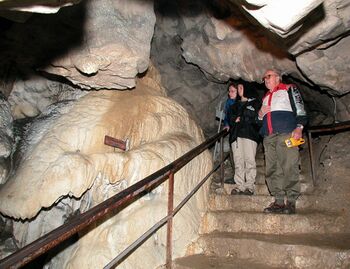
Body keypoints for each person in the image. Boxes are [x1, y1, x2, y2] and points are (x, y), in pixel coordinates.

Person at [258, 69, 307, 214]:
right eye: (264, 77)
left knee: (289, 165)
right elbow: (259, 120)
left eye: (269, 76)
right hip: (269, 136)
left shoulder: (289, 89)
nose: (265, 79)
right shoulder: (265, 97)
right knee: (272, 168)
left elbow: (300, 108)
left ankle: (291, 201)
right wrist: (260, 114)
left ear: (278, 77)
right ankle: (278, 201)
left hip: (286, 133)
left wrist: (299, 127)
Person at [228, 83, 261, 195]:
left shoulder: (255, 103)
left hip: (249, 135)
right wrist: (240, 118)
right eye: (238, 88)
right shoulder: (234, 105)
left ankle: (250, 186)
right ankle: (239, 185)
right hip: (236, 136)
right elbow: (231, 118)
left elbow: (255, 118)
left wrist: (241, 118)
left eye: (241, 88)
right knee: (238, 161)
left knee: (249, 160)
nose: (239, 90)